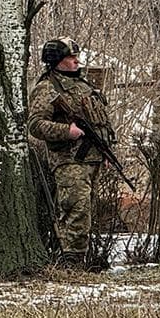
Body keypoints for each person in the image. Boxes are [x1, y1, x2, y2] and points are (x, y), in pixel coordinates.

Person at [27, 36, 114, 270]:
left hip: (92, 158)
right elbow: (35, 125)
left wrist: (106, 151)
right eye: (70, 57)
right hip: (68, 160)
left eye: (76, 57)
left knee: (86, 210)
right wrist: (67, 131)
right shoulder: (47, 88)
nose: (76, 61)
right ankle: (71, 262)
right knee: (75, 208)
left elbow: (101, 121)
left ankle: (79, 259)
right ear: (57, 61)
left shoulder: (84, 86)